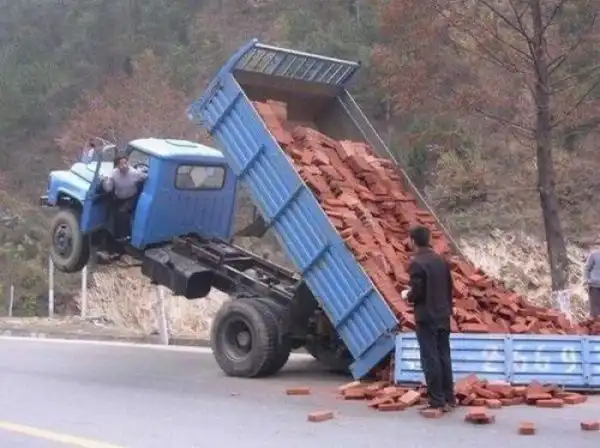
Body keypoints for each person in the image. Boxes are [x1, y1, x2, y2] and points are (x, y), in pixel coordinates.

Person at [403, 225, 455, 416]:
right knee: (444, 356)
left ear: (413, 241)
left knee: (430, 358)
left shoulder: (417, 263)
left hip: (427, 317)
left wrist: (407, 295)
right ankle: (449, 398)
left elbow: (418, 292)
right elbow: (449, 287)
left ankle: (436, 401)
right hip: (443, 316)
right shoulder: (441, 261)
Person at [101, 155, 148, 242]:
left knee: (122, 212)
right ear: (117, 166)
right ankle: (116, 236)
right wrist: (105, 181)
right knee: (113, 213)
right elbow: (108, 188)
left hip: (131, 197)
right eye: (121, 164)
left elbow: (145, 177)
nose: (124, 166)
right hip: (119, 198)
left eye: (126, 163)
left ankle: (126, 236)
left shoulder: (134, 173)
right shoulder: (113, 174)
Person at [583, 248, 600, 318]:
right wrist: (586, 280)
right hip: (594, 285)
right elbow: (587, 268)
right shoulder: (594, 255)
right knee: (595, 311)